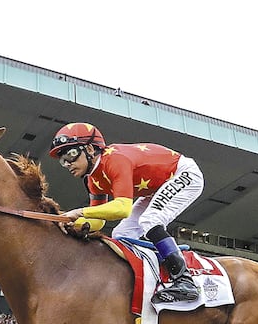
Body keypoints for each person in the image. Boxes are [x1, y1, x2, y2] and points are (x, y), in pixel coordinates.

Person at [49, 122, 204, 304]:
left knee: (151, 220)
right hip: (156, 188)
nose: (67, 163)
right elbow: (99, 222)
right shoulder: (92, 179)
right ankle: (152, 274)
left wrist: (80, 211)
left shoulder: (115, 159)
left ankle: (184, 280)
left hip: (183, 174)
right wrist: (76, 223)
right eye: (62, 160)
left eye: (71, 154)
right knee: (121, 234)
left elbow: (123, 208)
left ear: (90, 149)